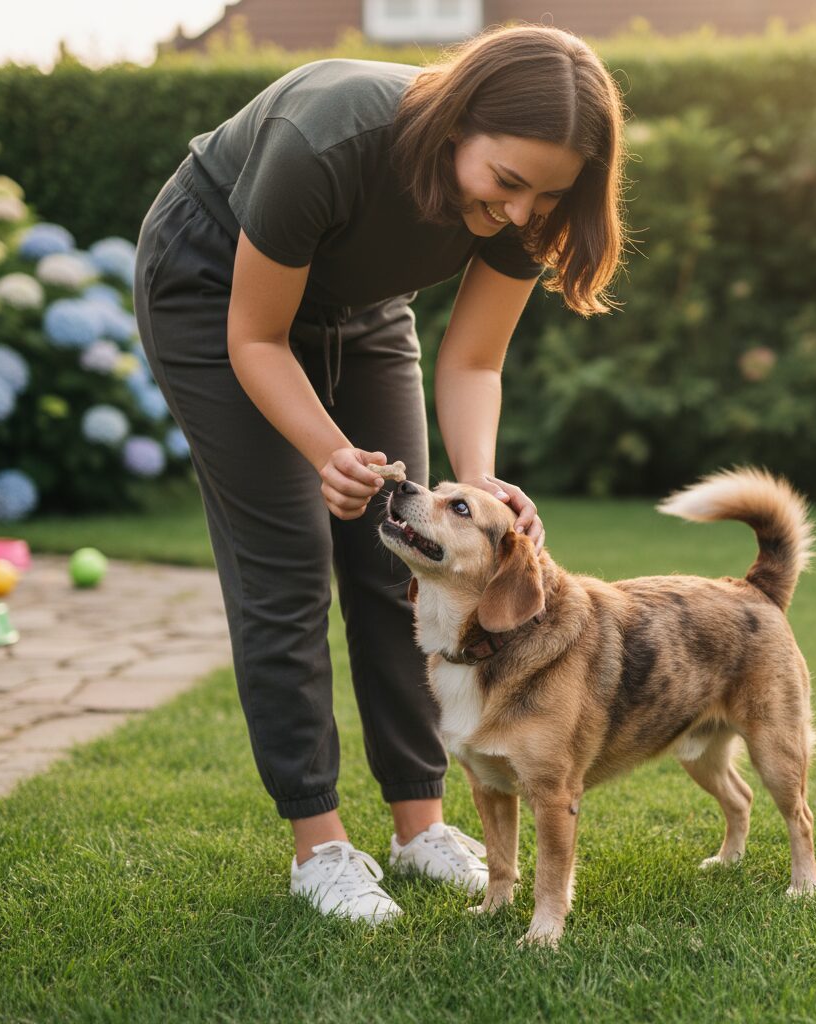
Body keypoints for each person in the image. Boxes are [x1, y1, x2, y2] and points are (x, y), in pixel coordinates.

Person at [133, 23, 627, 925]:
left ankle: (418, 824)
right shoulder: (328, 136)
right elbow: (257, 337)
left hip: (360, 309)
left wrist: (481, 492)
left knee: (405, 562)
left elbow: (474, 360)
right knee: (285, 566)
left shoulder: (532, 200)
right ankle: (319, 846)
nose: (523, 213)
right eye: (508, 183)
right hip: (215, 296)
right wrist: (330, 454)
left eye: (547, 195)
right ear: (456, 121)